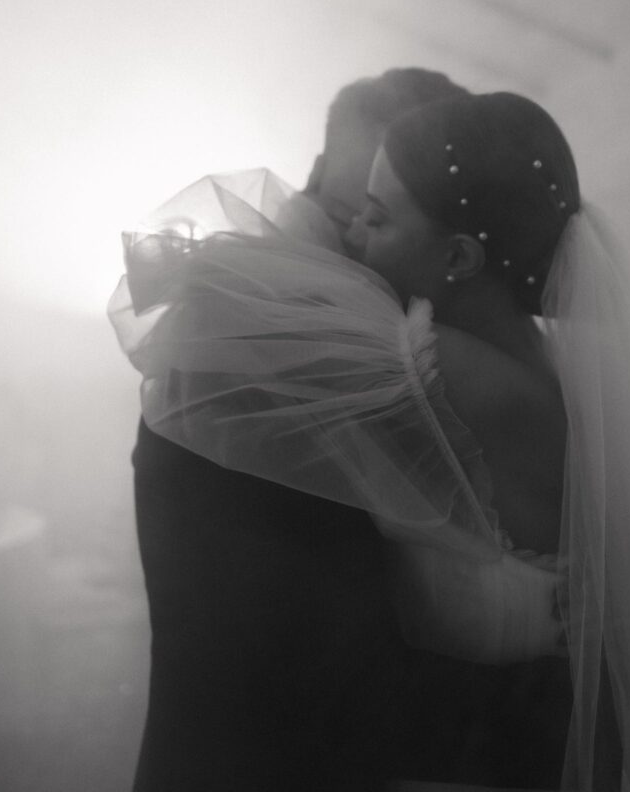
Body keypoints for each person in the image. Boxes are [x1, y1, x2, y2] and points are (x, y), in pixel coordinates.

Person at [120, 68, 483, 792]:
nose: (365, 243)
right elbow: (327, 657)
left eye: (383, 218)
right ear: (316, 175)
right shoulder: (304, 355)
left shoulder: (229, 299)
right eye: (362, 214)